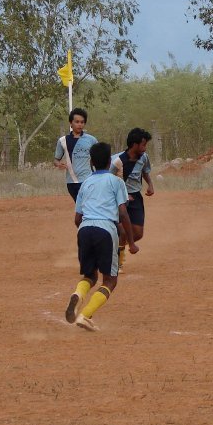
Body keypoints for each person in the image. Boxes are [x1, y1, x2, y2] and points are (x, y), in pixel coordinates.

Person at [64, 142, 138, 331]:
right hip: (105, 229)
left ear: (91, 162)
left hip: (85, 229)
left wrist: (88, 232)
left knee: (89, 275)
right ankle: (85, 315)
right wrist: (130, 242)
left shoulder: (86, 183)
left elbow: (77, 218)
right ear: (109, 161)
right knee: (110, 280)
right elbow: (123, 213)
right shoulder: (116, 181)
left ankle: (78, 295)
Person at [109, 127, 155, 270]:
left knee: (138, 233)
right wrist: (121, 195)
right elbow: (108, 179)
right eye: (143, 145)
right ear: (134, 145)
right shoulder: (118, 161)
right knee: (123, 231)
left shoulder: (144, 158)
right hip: (120, 199)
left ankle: (113, 249)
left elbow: (145, 172)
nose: (145, 148)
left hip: (136, 197)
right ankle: (117, 262)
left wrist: (150, 185)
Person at [53, 108, 98, 201]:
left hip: (89, 181)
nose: (80, 124)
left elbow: (98, 158)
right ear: (71, 123)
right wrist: (59, 164)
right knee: (81, 208)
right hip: (72, 182)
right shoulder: (63, 141)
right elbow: (56, 160)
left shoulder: (92, 140)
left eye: (82, 122)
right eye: (77, 122)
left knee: (88, 207)